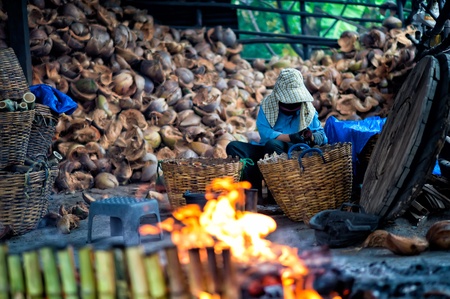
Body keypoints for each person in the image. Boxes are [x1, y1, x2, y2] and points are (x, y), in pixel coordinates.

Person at [226, 68, 328, 199]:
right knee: (234, 146)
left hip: (294, 156)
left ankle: (278, 193)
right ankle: (253, 193)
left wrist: (311, 136)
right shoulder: (268, 107)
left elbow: (323, 138)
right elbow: (265, 133)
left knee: (273, 145)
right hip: (266, 152)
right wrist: (290, 137)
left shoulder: (308, 110)